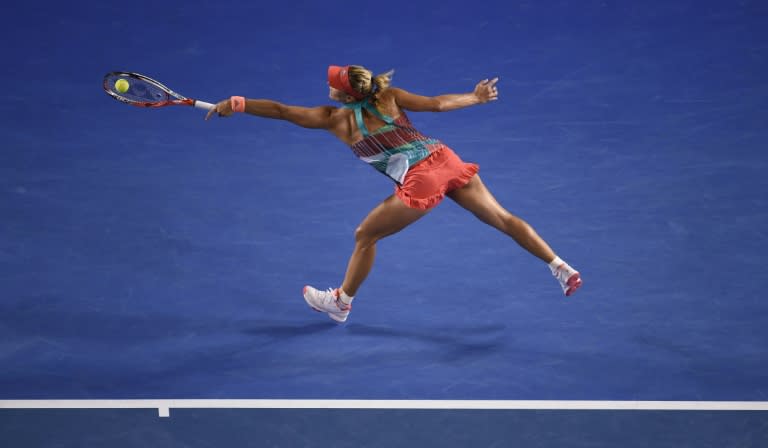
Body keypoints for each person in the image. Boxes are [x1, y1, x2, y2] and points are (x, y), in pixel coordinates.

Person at [205, 65, 582, 323]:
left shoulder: (335, 120)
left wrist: (237, 104)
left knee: (365, 236)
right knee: (502, 218)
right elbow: (437, 104)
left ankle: (341, 303)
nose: (328, 85)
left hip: (423, 180)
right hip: (446, 157)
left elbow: (282, 111)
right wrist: (476, 97)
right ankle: (559, 266)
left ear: (346, 94)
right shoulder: (392, 97)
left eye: (334, 82)